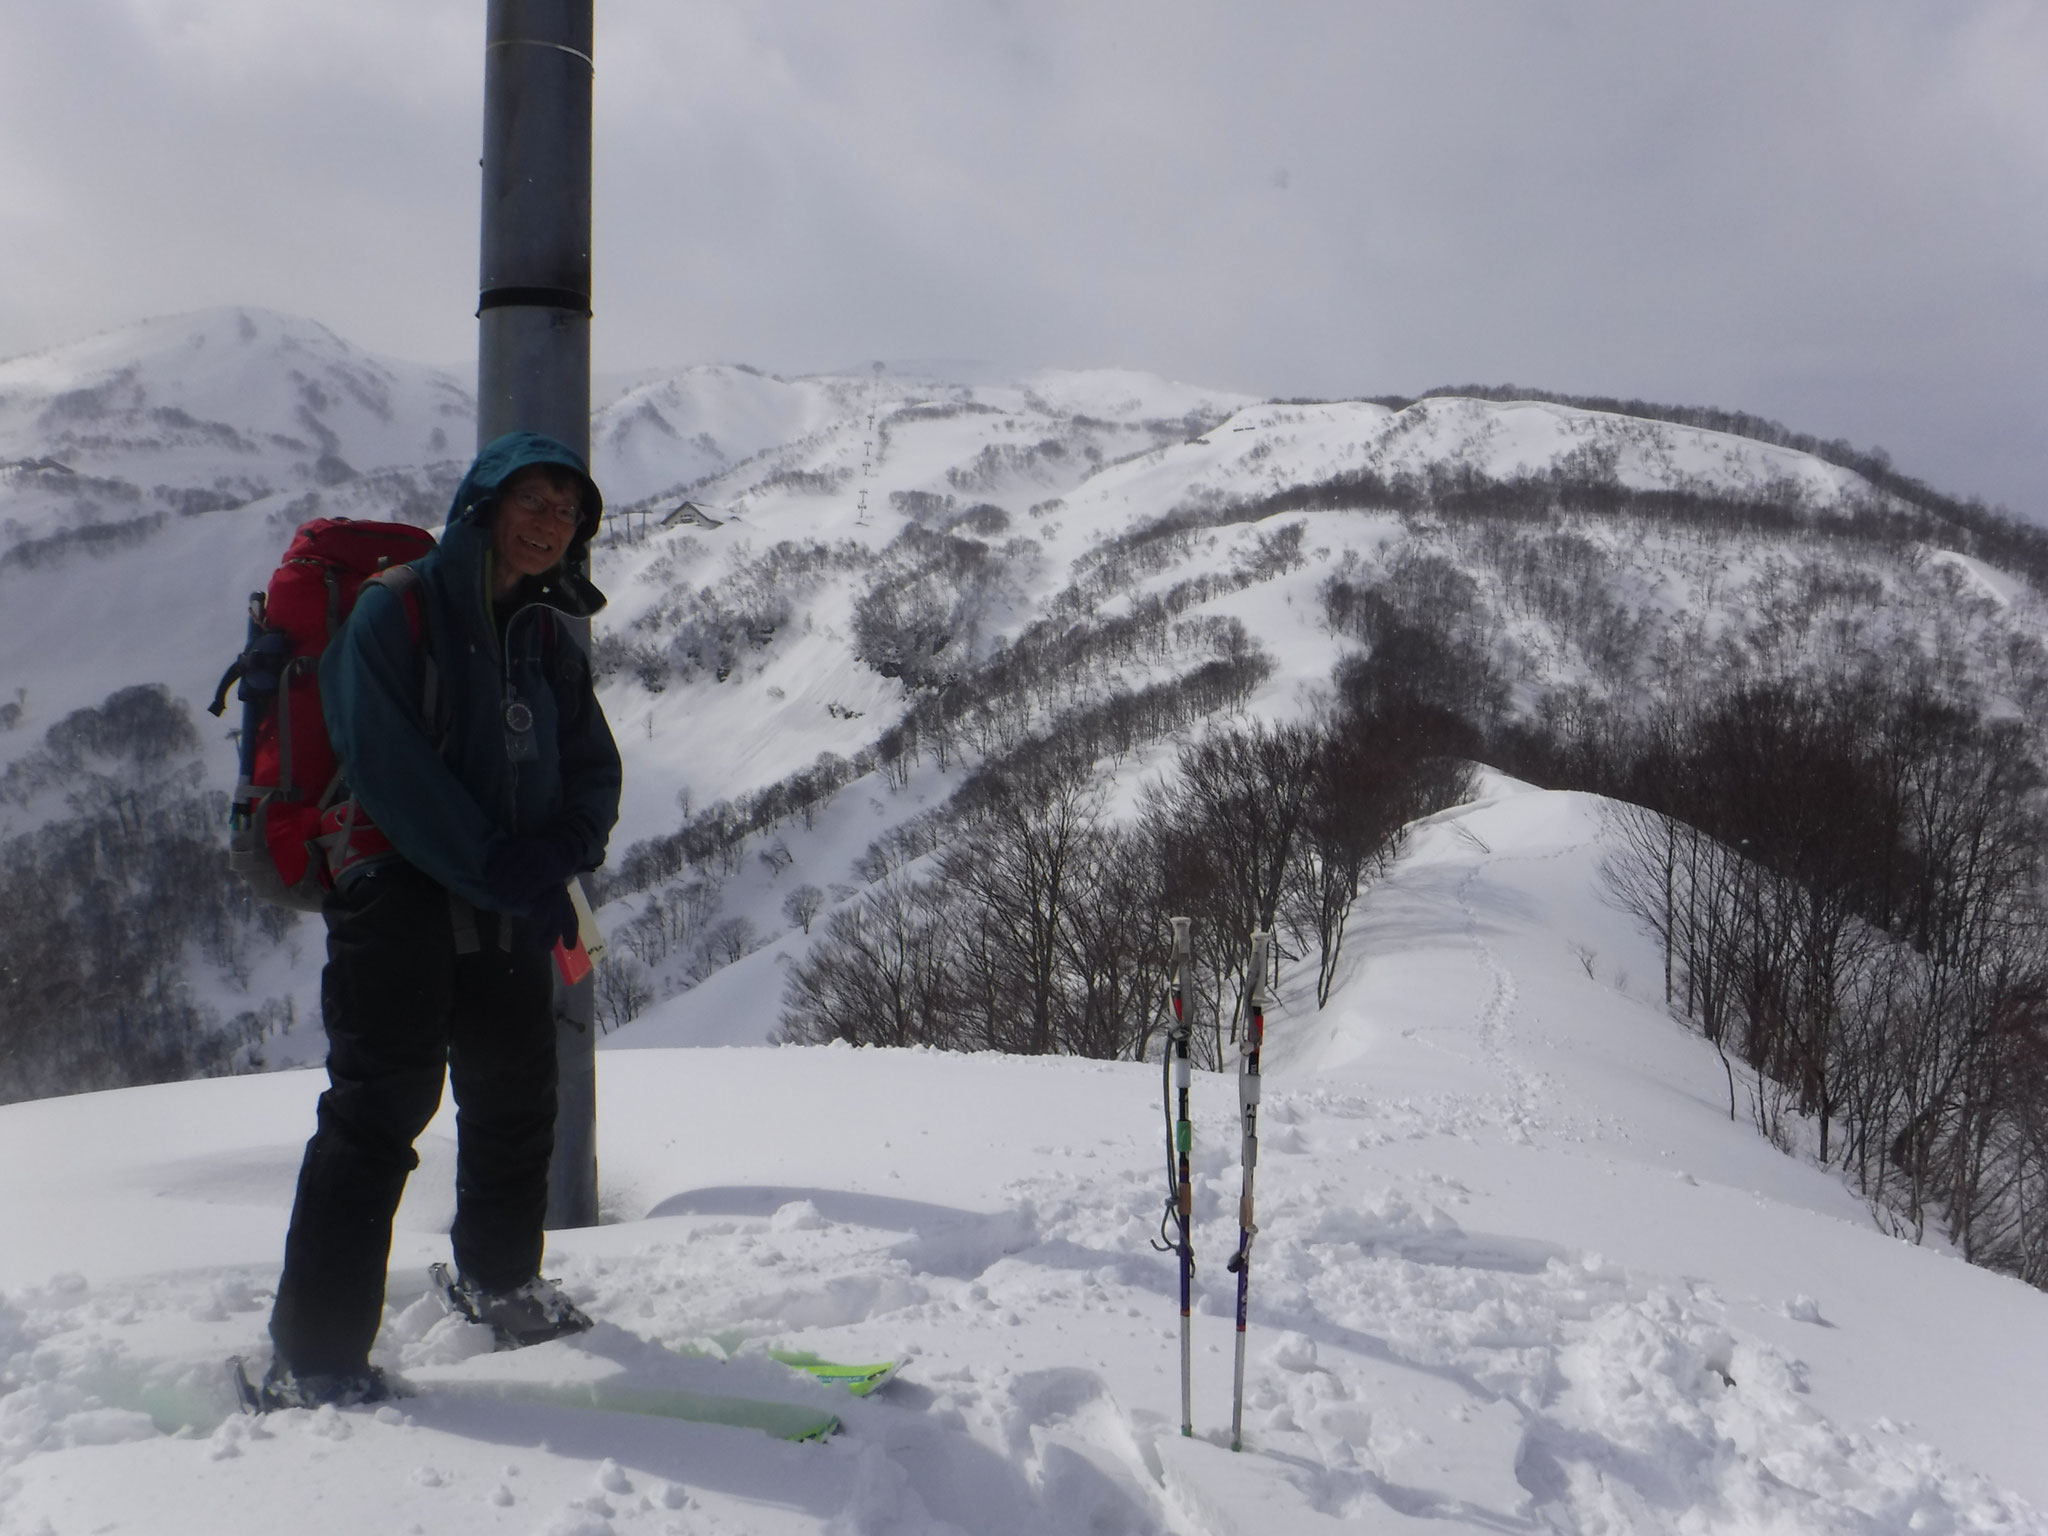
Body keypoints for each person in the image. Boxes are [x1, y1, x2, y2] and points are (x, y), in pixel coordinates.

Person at [262, 431, 623, 1408]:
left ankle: (499, 1280)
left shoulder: (542, 634)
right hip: (395, 890)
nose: (550, 525)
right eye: (534, 502)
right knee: (379, 1109)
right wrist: (500, 862)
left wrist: (562, 848)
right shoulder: (397, 608)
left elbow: (593, 763)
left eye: (567, 512)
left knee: (517, 1095)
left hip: (507, 891)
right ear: (485, 503)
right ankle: (316, 1355)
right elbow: (385, 765)